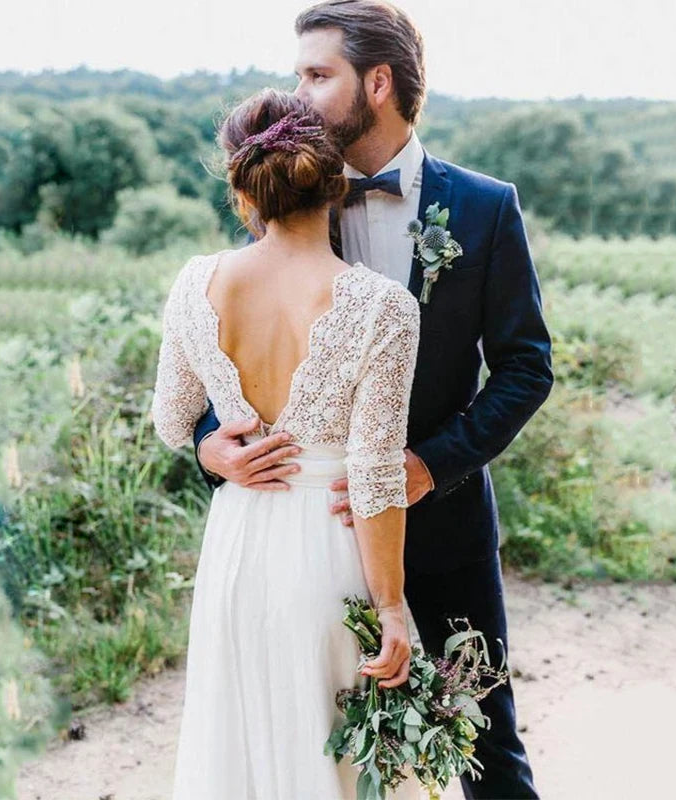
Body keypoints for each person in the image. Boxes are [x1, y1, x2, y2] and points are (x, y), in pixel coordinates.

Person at [192, 2, 553, 798]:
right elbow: (231, 356)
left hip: (447, 526)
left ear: (378, 83)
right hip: (315, 545)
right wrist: (209, 447)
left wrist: (429, 465)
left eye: (317, 75)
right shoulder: (280, 194)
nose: (299, 93)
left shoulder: (487, 208)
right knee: (318, 750)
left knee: (485, 739)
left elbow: (527, 369)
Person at [151, 87, 422, 799]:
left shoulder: (194, 284)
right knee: (335, 765)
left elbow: (172, 423)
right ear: (335, 183)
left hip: (238, 549)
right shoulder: (383, 306)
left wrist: (217, 451)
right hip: (329, 555)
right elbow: (375, 476)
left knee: (240, 754)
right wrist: (390, 608)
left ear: (244, 192)